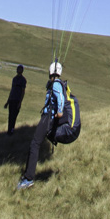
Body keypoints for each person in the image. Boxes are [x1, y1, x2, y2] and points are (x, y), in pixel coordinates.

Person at [16, 62, 65, 190]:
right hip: (48, 117)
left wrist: (59, 111)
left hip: (48, 117)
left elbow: (60, 97)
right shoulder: (55, 83)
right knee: (35, 143)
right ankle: (28, 176)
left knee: (35, 144)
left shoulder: (56, 84)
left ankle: (29, 178)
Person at [4, 64, 27, 134]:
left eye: (20, 69)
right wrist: (7, 102)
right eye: (18, 69)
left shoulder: (23, 80)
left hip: (17, 100)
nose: (19, 70)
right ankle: (9, 130)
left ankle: (12, 130)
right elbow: (12, 90)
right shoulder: (14, 79)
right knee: (10, 116)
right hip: (12, 99)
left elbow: (23, 91)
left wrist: (20, 102)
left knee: (14, 116)